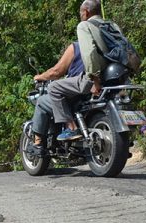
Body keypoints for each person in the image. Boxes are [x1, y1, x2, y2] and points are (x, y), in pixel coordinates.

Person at [48, 0, 116, 141]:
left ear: (86, 12)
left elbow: (90, 52)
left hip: (96, 77)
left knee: (53, 87)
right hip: (114, 75)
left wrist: (94, 79)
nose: (80, 15)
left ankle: (71, 128)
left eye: (80, 12)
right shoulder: (111, 25)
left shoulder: (84, 26)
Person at [29, 41, 86, 154]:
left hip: (77, 90)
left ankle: (38, 143)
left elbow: (56, 71)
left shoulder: (76, 47)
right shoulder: (103, 46)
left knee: (41, 102)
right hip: (90, 91)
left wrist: (40, 77)